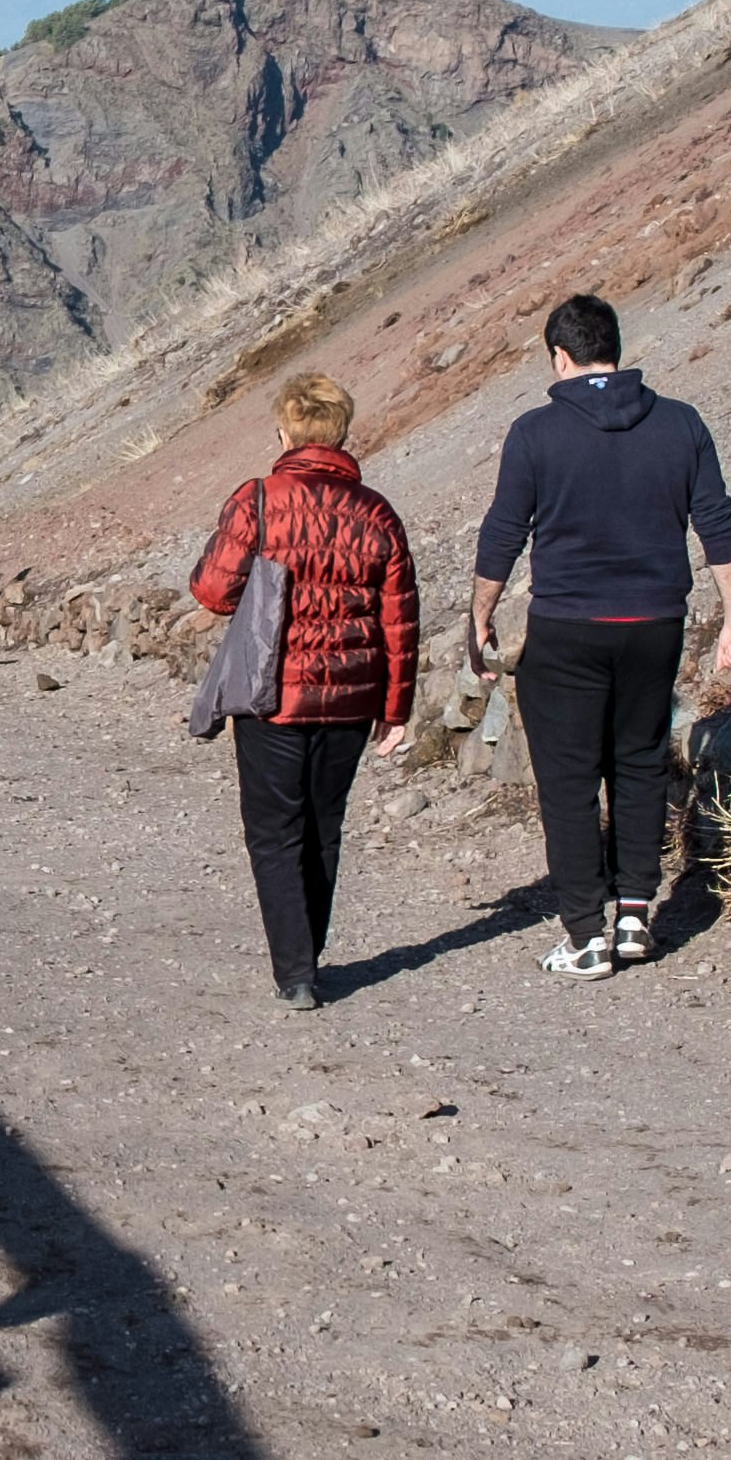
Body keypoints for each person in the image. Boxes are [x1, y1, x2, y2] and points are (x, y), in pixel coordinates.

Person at [468, 294, 731, 979]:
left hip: (567, 626)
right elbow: (715, 518)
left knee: (567, 781)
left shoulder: (535, 433)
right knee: (638, 762)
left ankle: (584, 935)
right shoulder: (681, 424)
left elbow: (504, 531)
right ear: (615, 350)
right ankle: (633, 916)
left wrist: (479, 616)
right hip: (654, 623)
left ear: (560, 357)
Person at [189, 372, 418, 1011]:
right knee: (325, 826)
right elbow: (400, 617)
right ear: (341, 432)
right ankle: (307, 955)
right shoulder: (377, 513)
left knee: (272, 829)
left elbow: (212, 591)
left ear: (286, 431)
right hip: (351, 699)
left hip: (273, 695)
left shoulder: (258, 499)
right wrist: (395, 708)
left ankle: (295, 971)